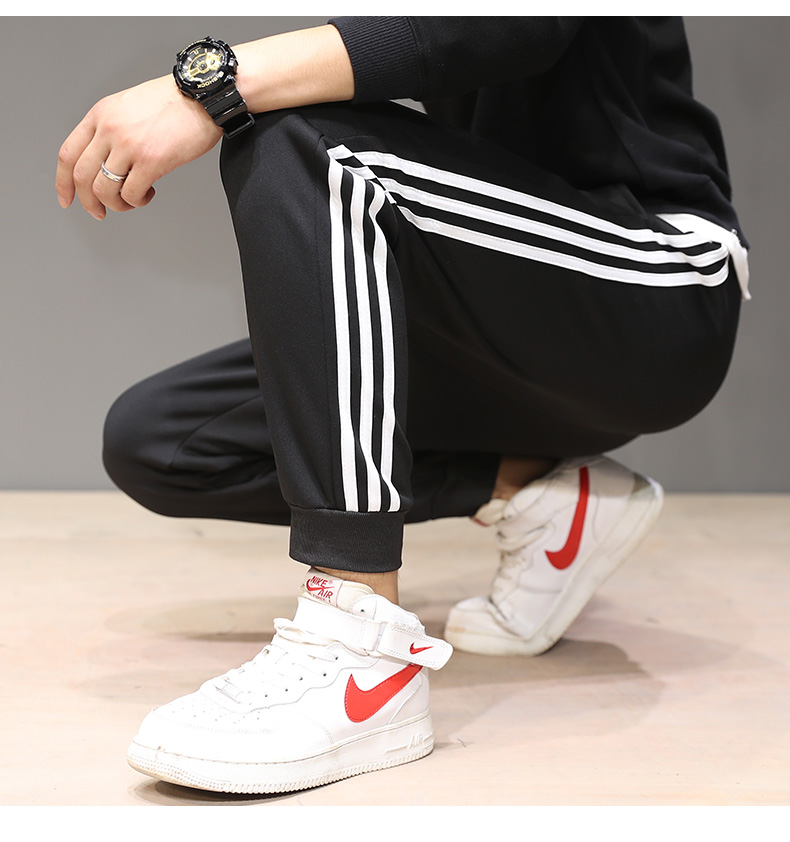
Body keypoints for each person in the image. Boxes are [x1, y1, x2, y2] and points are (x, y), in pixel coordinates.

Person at [56, 17, 748, 795]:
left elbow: (485, 31)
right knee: (163, 439)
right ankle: (536, 492)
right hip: (504, 320)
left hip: (656, 284)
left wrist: (206, 87)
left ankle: (361, 645)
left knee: (302, 140)